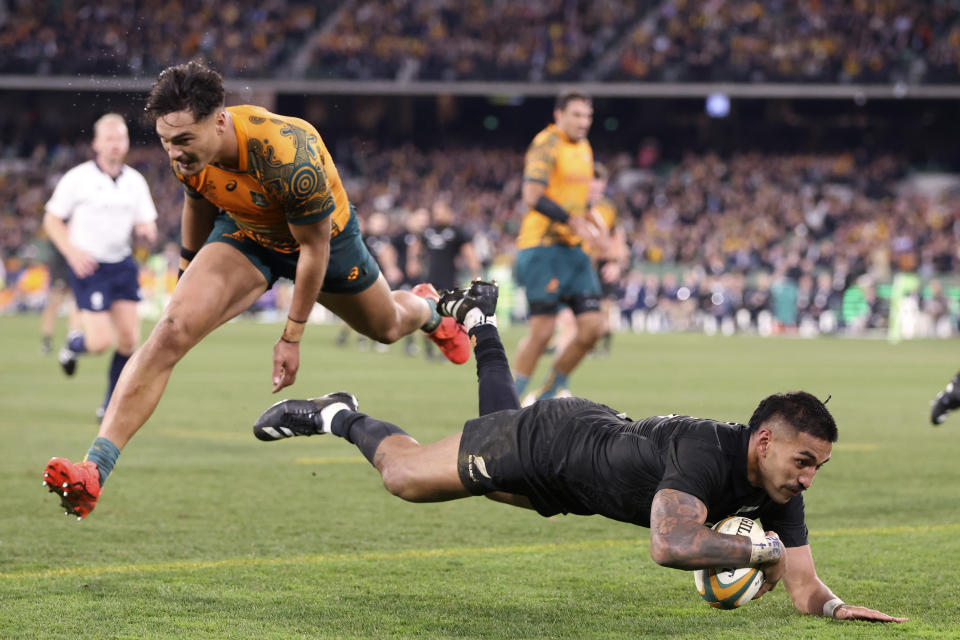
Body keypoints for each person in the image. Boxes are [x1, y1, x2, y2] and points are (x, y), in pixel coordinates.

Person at [254, 280, 906, 623]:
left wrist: (836, 607)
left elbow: (802, 585)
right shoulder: (709, 450)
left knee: (492, 432)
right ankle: (338, 413)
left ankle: (478, 320)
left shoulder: (777, 490)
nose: (809, 479)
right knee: (405, 476)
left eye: (818, 467)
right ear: (765, 441)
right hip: (555, 444)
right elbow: (670, 545)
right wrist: (756, 549)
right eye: (803, 462)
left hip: (573, 480)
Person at [42, 60, 469, 519]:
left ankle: (426, 309)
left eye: (184, 140)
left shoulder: (288, 155)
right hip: (246, 230)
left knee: (387, 326)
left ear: (220, 121)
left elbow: (311, 249)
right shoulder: (186, 151)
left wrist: (292, 335)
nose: (176, 152)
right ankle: (94, 470)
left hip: (324, 240)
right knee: (169, 331)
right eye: (167, 141)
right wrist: (188, 269)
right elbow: (197, 199)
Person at [42, 113, 158, 421]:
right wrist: (71, 252)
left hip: (122, 264)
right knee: (99, 343)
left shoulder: (134, 181)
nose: (115, 144)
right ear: (96, 144)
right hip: (89, 266)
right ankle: (74, 345)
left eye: (120, 138)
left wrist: (147, 231)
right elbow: (51, 219)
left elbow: (147, 221)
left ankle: (109, 406)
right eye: (109, 138)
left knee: (129, 341)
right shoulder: (78, 178)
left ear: (127, 142)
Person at [513, 91, 607, 403]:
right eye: (577, 115)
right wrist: (573, 221)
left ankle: (549, 391)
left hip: (573, 249)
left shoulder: (585, 148)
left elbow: (580, 198)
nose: (584, 122)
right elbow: (532, 196)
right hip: (542, 247)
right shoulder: (546, 143)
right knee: (542, 332)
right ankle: (506, 404)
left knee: (593, 327)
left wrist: (593, 223)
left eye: (588, 116)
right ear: (559, 114)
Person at [419, 197, 482, 359]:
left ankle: (447, 347)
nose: (437, 214)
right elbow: (417, 248)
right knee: (427, 313)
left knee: (448, 316)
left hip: (449, 279)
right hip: (430, 279)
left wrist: (475, 272)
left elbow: (469, 253)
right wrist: (413, 262)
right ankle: (429, 350)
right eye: (435, 211)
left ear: (449, 212)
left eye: (440, 210)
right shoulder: (428, 231)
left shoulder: (457, 232)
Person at [39, 239, 80, 355]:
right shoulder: (60, 222)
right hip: (61, 264)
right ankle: (47, 340)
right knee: (54, 303)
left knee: (76, 304)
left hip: (76, 263)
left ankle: (72, 338)